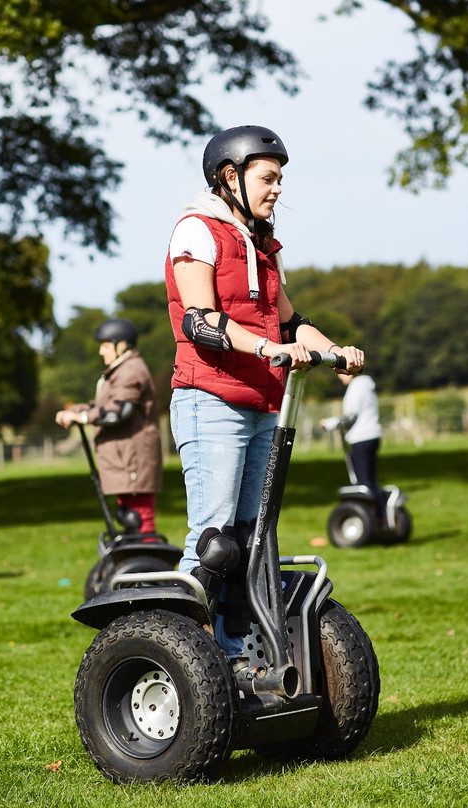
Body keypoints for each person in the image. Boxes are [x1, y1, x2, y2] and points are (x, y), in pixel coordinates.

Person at [165, 124, 364, 672]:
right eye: (268, 178)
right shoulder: (196, 231)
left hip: (260, 402)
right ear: (231, 176)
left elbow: (291, 319)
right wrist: (267, 348)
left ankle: (235, 652)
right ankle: (184, 654)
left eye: (280, 179)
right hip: (210, 399)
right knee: (215, 536)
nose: (277, 189)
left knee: (254, 539)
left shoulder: (262, 246)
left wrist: (334, 349)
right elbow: (200, 321)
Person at [55, 318, 163, 533]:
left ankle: (150, 564)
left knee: (140, 520)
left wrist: (83, 418)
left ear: (121, 345)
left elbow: (119, 411)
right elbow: (104, 405)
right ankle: (136, 564)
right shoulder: (120, 371)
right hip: (125, 458)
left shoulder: (130, 371)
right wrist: (77, 410)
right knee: (129, 519)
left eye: (105, 346)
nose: (101, 352)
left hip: (133, 459)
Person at [325, 373, 386, 526]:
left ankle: (375, 519)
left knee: (363, 482)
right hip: (372, 435)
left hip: (361, 437)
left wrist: (331, 423)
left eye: (339, 371)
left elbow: (350, 417)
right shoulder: (367, 384)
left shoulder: (356, 386)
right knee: (371, 480)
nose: (339, 376)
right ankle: (380, 516)